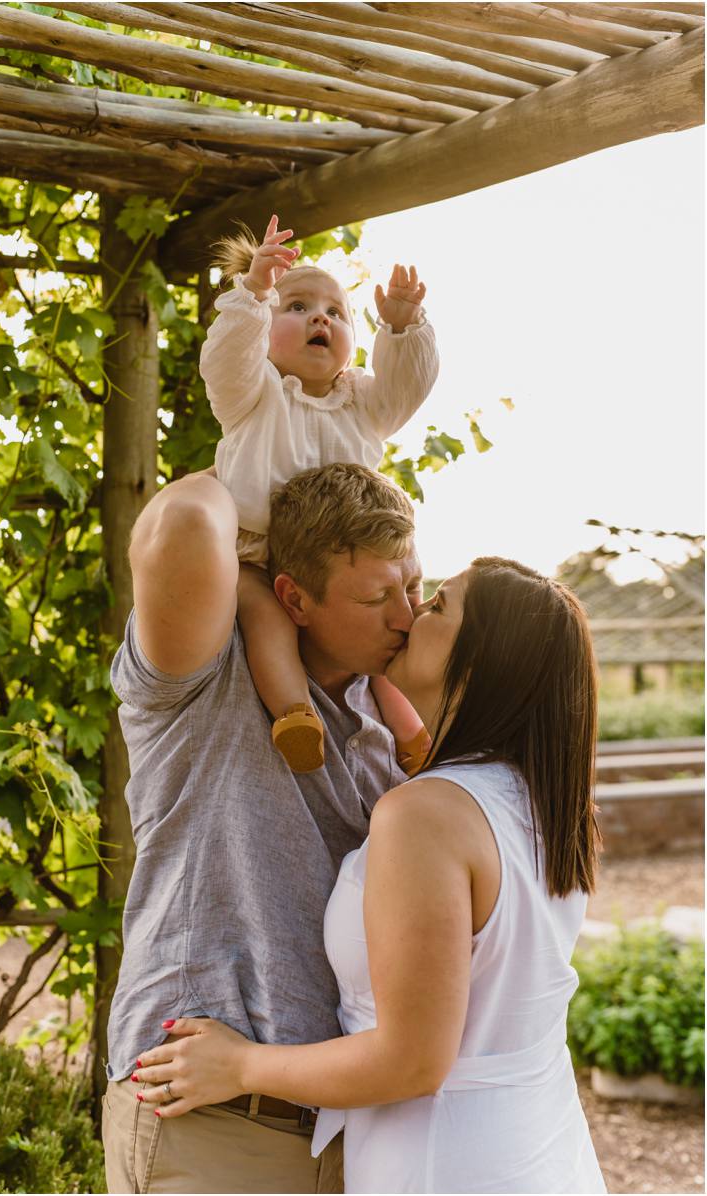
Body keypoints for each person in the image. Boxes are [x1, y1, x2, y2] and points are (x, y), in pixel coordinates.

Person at [132, 557, 607, 1195]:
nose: (411, 615)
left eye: (437, 606)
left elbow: (412, 1062)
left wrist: (239, 1065)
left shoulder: (426, 815)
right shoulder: (546, 805)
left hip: (443, 1164)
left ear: (479, 661)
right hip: (538, 1146)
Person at [101, 462, 426, 1194]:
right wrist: (270, 443)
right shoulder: (206, 677)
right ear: (293, 598)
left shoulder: (390, 715)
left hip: (359, 1128)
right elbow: (183, 523)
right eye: (375, 596)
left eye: (412, 586)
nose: (405, 617)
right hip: (212, 1123)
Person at [201, 214, 440, 774]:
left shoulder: (362, 400)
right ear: (263, 330)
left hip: (349, 555)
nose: (320, 318)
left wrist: (402, 329)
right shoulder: (253, 393)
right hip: (260, 551)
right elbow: (226, 360)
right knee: (267, 620)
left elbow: (407, 388)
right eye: (297, 306)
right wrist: (253, 294)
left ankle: (414, 733)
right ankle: (295, 714)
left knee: (386, 633)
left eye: (337, 312)